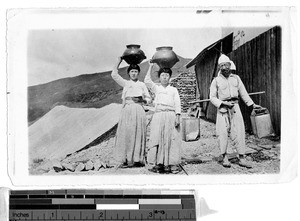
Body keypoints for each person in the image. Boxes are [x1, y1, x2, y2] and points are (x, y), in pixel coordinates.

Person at [209, 54, 260, 168]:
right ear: (219, 67)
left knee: (239, 132)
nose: (224, 68)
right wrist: (222, 103)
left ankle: (241, 158)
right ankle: (225, 158)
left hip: (235, 107)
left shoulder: (236, 78)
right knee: (222, 133)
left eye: (226, 65)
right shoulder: (216, 81)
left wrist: (252, 104)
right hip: (222, 108)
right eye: (222, 65)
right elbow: (212, 97)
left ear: (230, 65)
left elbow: (243, 93)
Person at [111, 57, 151, 168]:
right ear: (129, 73)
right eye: (132, 71)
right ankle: (126, 160)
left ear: (138, 73)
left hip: (139, 110)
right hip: (127, 110)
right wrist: (118, 61)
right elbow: (114, 75)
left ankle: (137, 160)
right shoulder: (125, 83)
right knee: (126, 134)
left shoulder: (142, 85)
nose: (134, 73)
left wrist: (143, 100)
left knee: (138, 133)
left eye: (136, 71)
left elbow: (149, 98)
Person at [145, 61, 182, 173]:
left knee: (172, 139)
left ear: (170, 77)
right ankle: (159, 164)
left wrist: (177, 116)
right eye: (162, 75)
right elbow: (147, 81)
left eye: (167, 75)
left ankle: (172, 164)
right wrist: (150, 66)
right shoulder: (156, 88)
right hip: (158, 115)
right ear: (159, 77)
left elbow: (177, 103)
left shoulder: (173, 90)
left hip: (170, 115)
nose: (165, 77)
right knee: (157, 138)